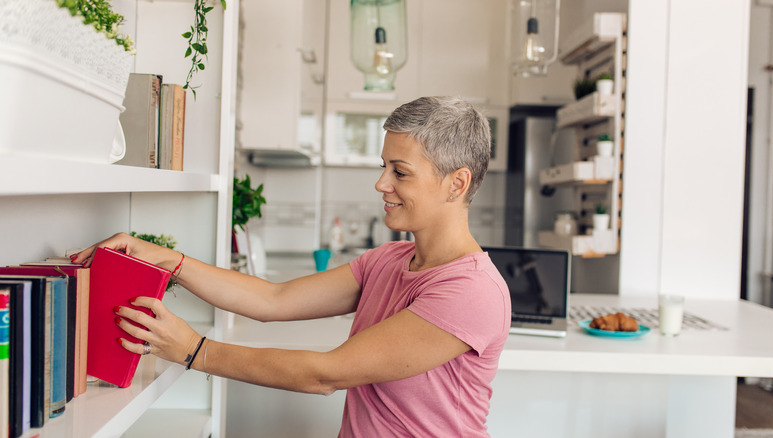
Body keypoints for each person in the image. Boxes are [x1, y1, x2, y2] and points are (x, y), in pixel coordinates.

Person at [72, 96, 511, 437]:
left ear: (457, 183)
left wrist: (193, 349)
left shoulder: (470, 291)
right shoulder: (389, 260)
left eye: (400, 172)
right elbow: (272, 299)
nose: (381, 183)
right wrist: (170, 260)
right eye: (384, 167)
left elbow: (326, 373)